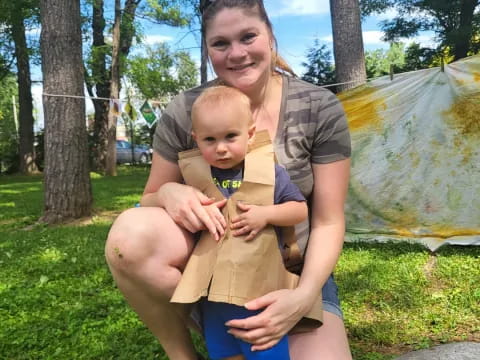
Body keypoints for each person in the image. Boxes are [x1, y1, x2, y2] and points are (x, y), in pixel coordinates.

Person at [105, 0, 352, 359]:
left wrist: (301, 297)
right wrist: (170, 192)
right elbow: (151, 197)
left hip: (292, 272)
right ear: (208, 51)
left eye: (248, 37)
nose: (236, 53)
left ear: (270, 38)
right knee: (128, 237)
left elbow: (329, 220)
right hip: (212, 266)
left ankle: (266, 317)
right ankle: (186, 349)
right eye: (220, 43)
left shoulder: (319, 107)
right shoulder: (186, 110)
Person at [175, 85, 309, 360]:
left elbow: (299, 210)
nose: (221, 148)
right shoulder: (194, 177)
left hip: (258, 288)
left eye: (230, 137)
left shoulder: (270, 173)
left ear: (249, 135)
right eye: (209, 140)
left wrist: (266, 214)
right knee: (222, 349)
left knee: (264, 348)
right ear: (195, 139)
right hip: (212, 293)